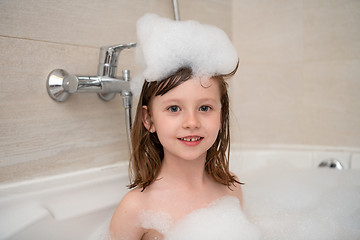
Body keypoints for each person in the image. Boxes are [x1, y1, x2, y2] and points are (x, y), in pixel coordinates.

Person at [109, 14, 259, 240]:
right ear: (148, 119)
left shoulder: (231, 189)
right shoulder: (136, 208)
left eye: (205, 108)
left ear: (221, 116)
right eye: (174, 109)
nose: (191, 122)